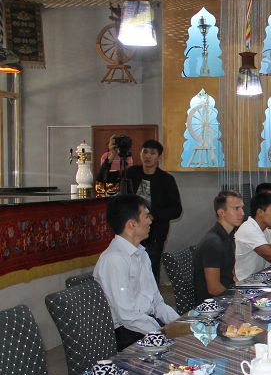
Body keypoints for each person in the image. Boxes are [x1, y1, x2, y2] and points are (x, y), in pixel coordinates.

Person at [94, 194, 179, 351]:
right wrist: (160, 333)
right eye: (146, 216)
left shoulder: (141, 253)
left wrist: (181, 324)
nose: (151, 221)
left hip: (146, 325)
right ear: (132, 224)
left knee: (193, 341)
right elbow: (127, 316)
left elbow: (157, 302)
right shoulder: (114, 259)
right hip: (126, 334)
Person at [125, 139, 182, 281]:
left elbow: (176, 209)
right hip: (131, 231)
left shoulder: (166, 179)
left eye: (152, 153)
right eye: (145, 152)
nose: (148, 156)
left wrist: (153, 216)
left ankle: (152, 295)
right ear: (140, 153)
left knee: (150, 268)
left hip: (155, 233)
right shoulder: (132, 173)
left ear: (159, 157)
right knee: (129, 269)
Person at [194, 190, 244, 302]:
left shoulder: (229, 236)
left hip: (227, 295)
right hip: (212, 303)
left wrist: (241, 292)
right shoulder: (213, 242)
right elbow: (214, 288)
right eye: (236, 208)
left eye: (242, 208)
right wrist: (239, 301)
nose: (242, 213)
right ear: (221, 212)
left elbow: (231, 273)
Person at [234, 192, 271, 281]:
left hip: (261, 280)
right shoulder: (249, 229)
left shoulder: (267, 229)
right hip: (245, 283)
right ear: (260, 212)